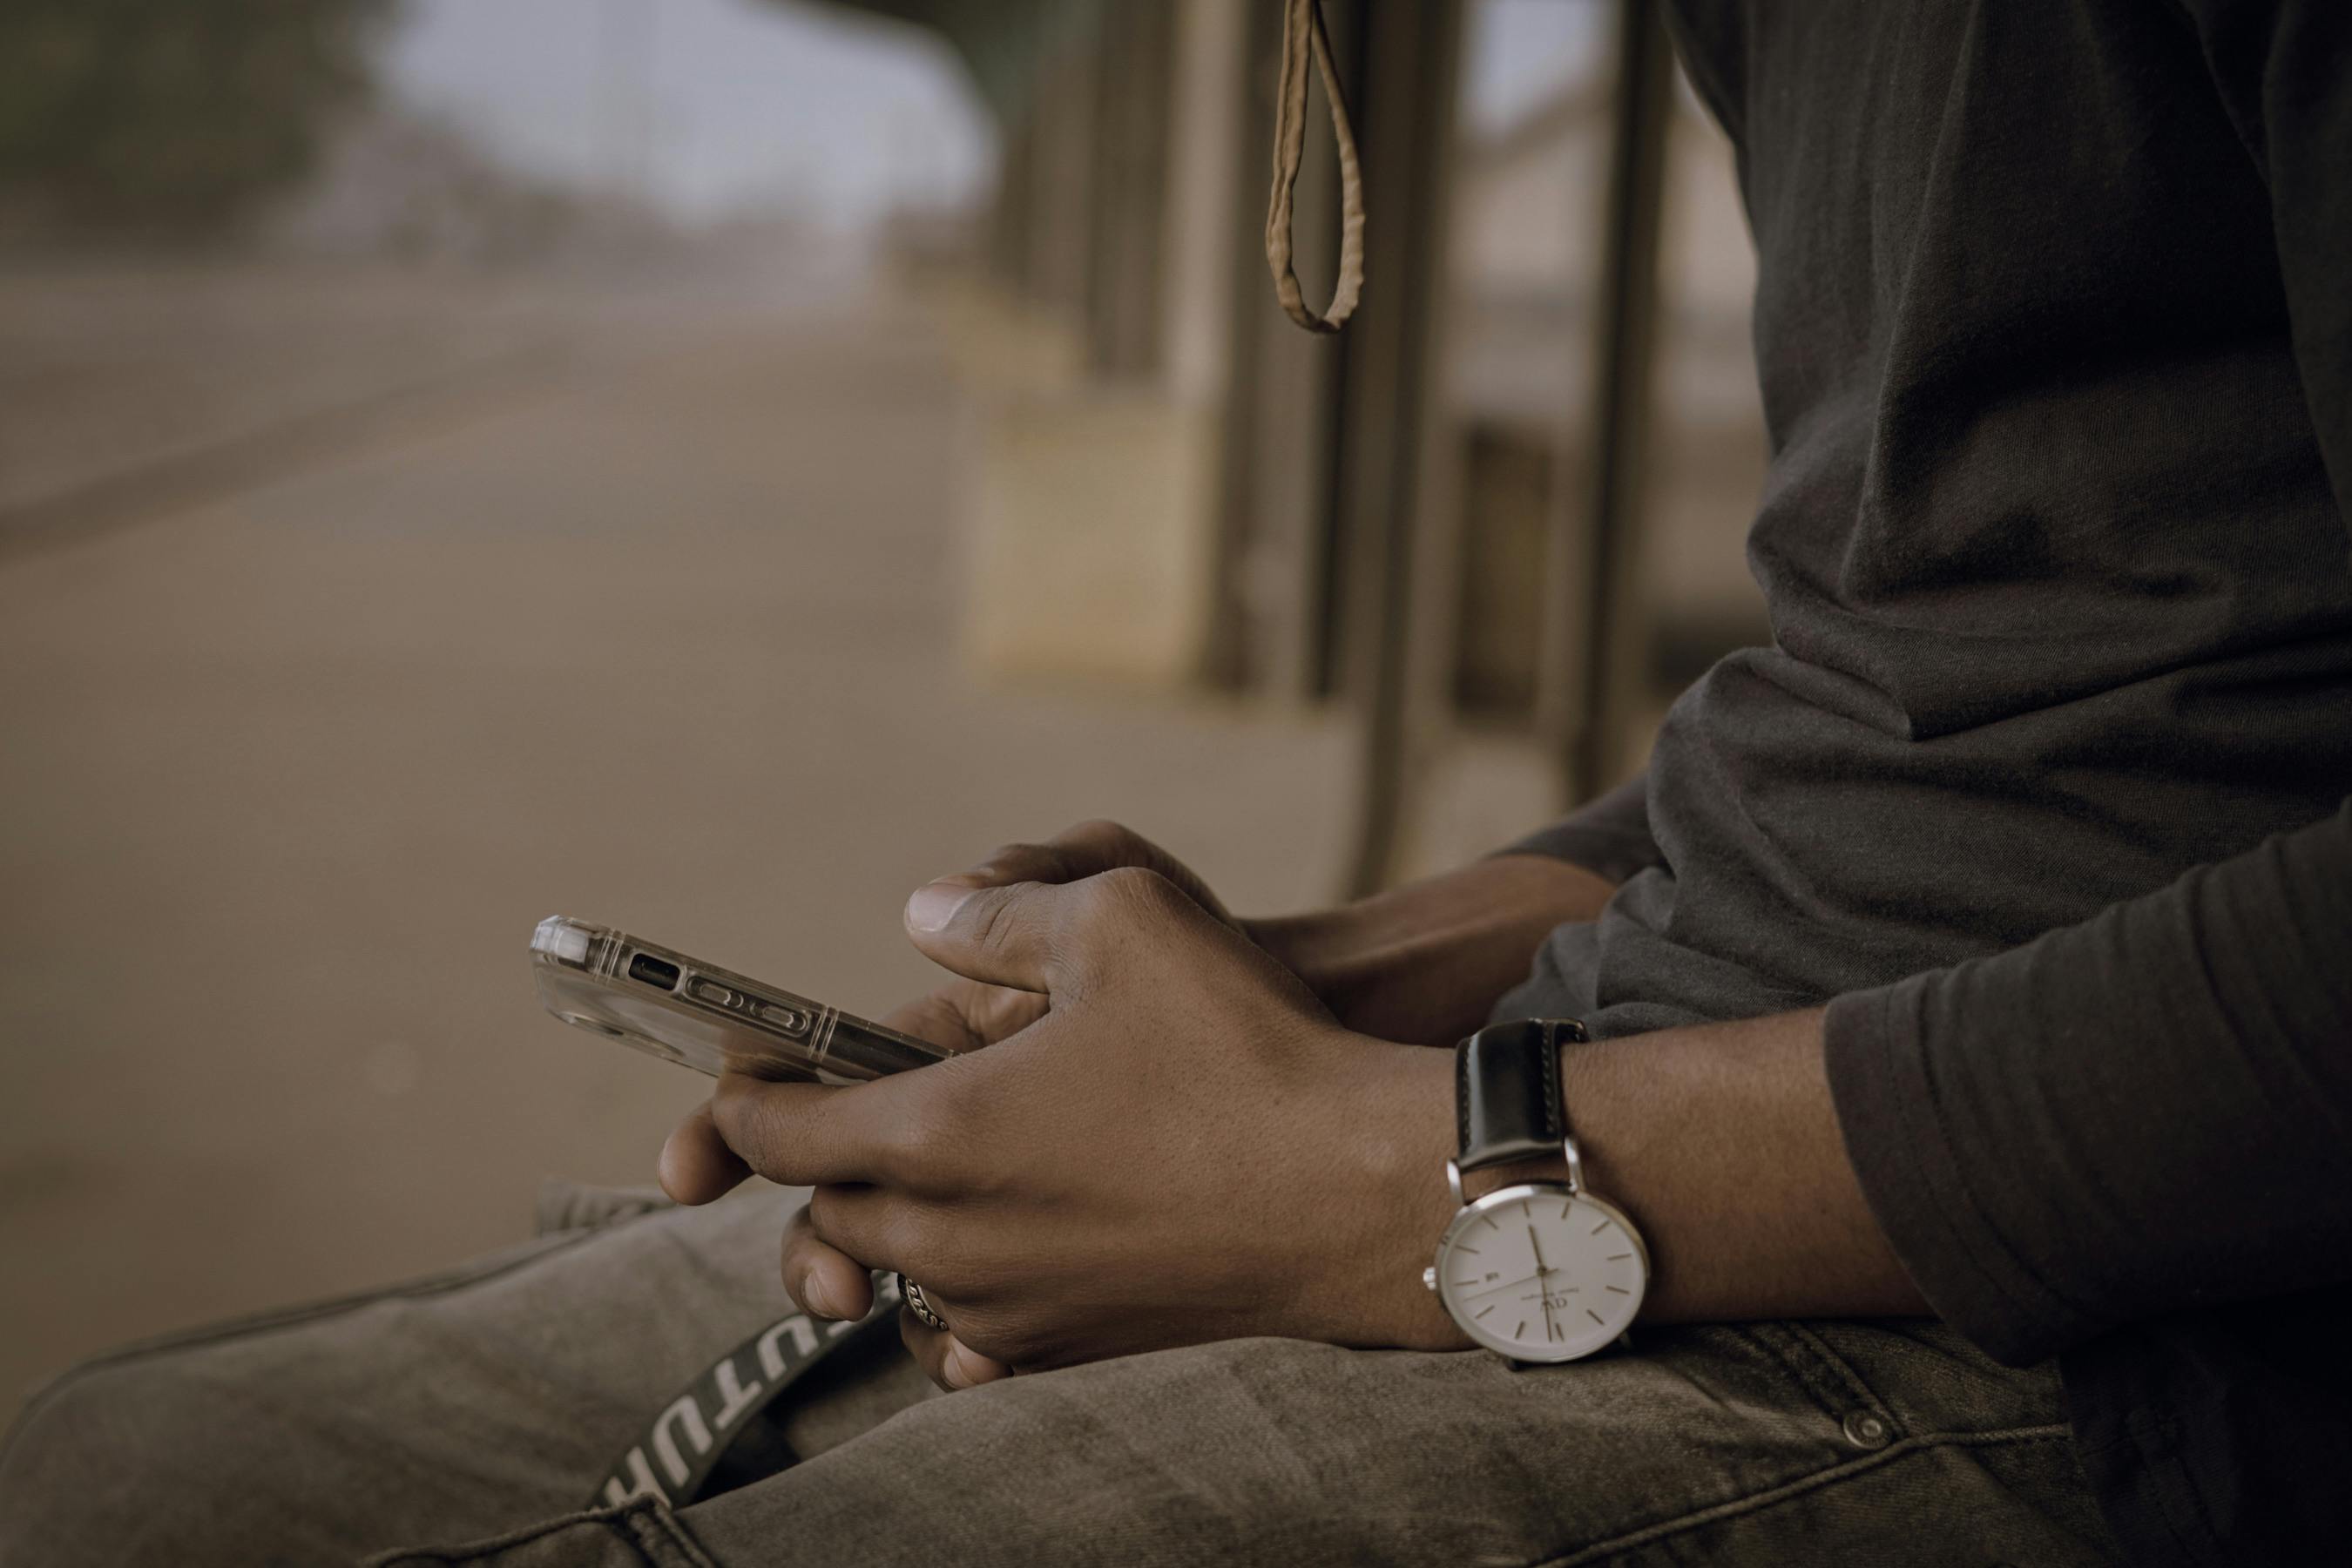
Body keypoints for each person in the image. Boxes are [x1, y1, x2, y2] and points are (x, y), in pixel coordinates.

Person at [5, 2, 2349, 1563]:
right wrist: (1313, 996)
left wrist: (1378, 1188)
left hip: (2088, 1307)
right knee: (110, 1476)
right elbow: (1958, 665)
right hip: (1614, 1087)